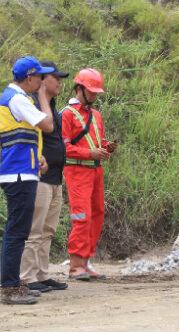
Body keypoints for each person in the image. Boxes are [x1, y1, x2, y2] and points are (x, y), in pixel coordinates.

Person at [0, 55, 55, 304]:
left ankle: (13, 284)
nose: (42, 81)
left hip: (21, 170)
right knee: (17, 232)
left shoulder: (14, 99)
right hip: (18, 174)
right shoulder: (18, 99)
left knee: (17, 231)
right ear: (29, 78)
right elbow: (48, 124)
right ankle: (9, 288)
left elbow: (22, 136)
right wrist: (43, 96)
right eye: (40, 77)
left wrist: (37, 157)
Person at [20, 61, 70, 293]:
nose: (59, 82)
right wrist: (40, 96)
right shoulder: (31, 105)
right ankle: (26, 277)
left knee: (48, 230)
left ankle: (41, 274)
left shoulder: (51, 105)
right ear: (42, 79)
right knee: (34, 229)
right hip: (39, 177)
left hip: (56, 177)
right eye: (55, 77)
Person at [62, 68, 117, 281]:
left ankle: (86, 262)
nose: (94, 95)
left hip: (95, 170)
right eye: (91, 91)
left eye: (96, 92)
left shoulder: (96, 115)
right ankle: (76, 266)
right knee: (81, 216)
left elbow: (98, 141)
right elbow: (64, 148)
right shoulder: (67, 114)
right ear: (79, 89)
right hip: (76, 171)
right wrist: (90, 153)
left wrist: (106, 146)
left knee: (97, 213)